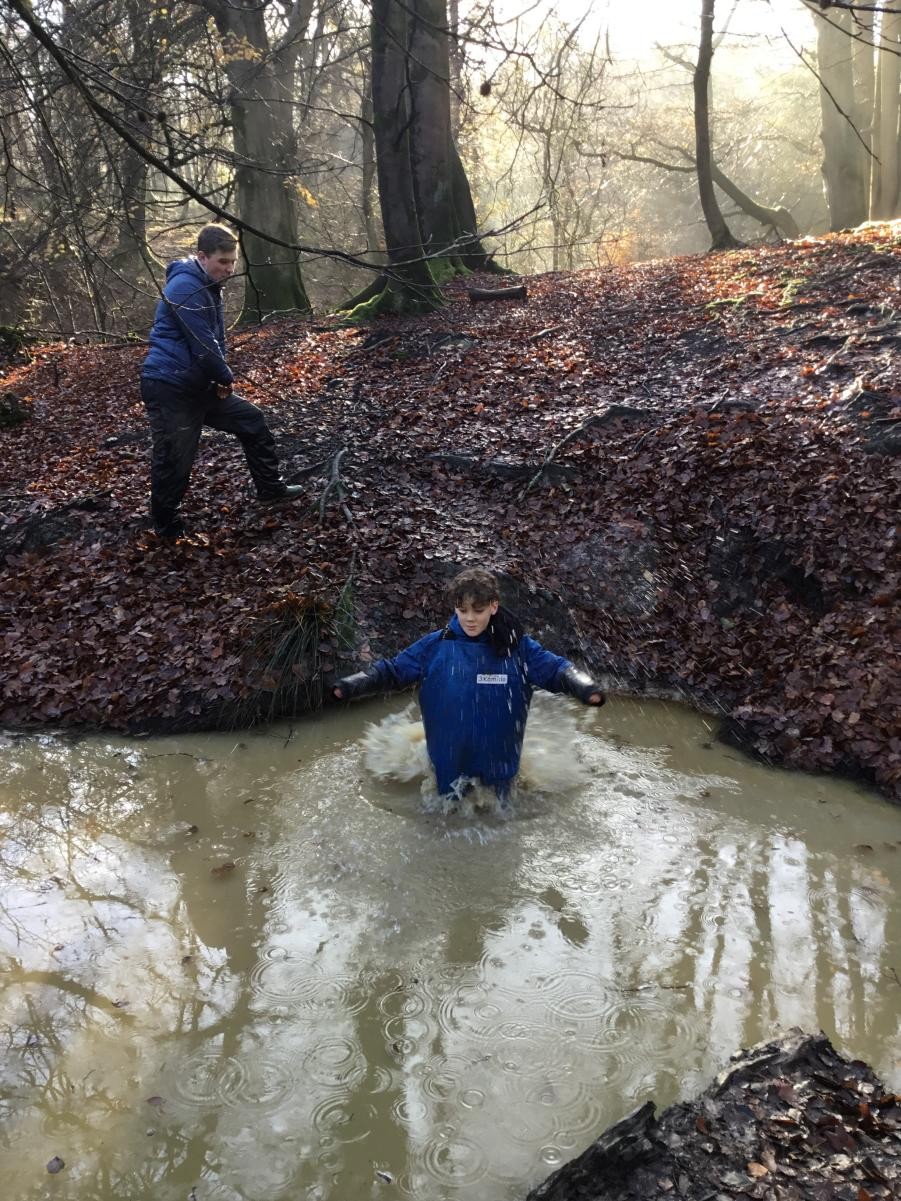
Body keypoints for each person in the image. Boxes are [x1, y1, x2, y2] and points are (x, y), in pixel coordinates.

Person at [333, 567, 605, 807]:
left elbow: (556, 669)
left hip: (501, 769)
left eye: (478, 610)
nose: (470, 619)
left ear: (493, 606)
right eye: (462, 611)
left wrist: (585, 688)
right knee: (446, 814)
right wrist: (353, 684)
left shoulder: (518, 648)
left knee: (502, 816)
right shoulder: (435, 646)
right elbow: (392, 671)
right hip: (448, 766)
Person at [140, 223, 305, 538]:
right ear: (202, 257)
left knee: (252, 421)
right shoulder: (185, 287)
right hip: (170, 385)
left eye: (233, 262)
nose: (229, 269)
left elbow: (214, 341)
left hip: (198, 384)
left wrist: (218, 378)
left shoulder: (206, 284)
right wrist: (225, 376)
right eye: (223, 262)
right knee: (174, 459)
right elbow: (203, 345)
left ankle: (270, 489)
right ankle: (165, 526)